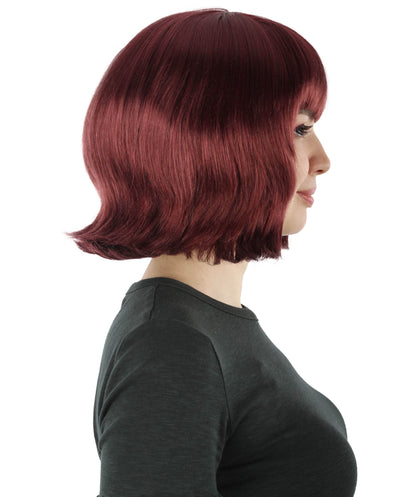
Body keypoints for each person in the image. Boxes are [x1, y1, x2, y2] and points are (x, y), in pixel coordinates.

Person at [66, 8, 357, 497]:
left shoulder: (203, 327)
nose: (322, 160)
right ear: (217, 141)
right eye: (299, 129)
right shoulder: (170, 345)